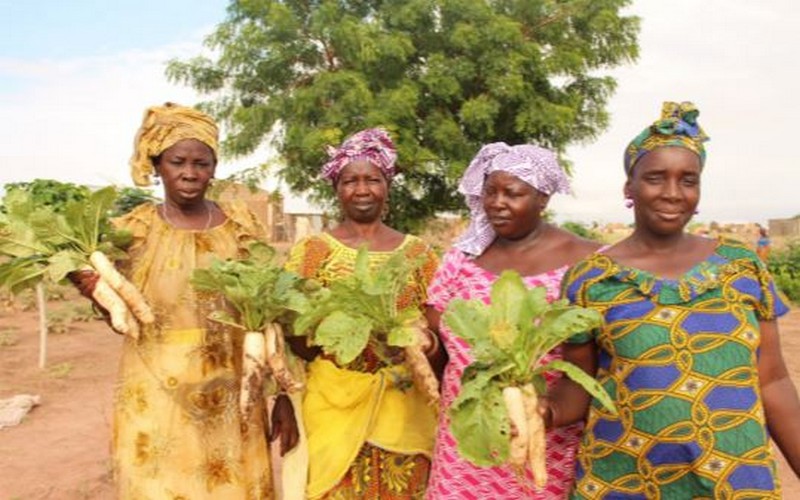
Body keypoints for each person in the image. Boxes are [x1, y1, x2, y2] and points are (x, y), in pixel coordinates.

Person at [553, 102, 800, 498]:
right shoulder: (591, 280)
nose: (672, 193)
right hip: (624, 482)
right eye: (655, 178)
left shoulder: (740, 267)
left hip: (733, 482)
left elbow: (773, 379)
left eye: (688, 180)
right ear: (628, 188)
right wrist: (539, 412)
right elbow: (579, 385)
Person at [72, 103, 276, 498]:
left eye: (201, 162)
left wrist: (280, 391)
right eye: (177, 161)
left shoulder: (241, 225)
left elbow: (269, 308)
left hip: (234, 387)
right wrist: (92, 287)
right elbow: (119, 317)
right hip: (155, 387)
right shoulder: (132, 230)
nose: (189, 173)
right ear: (157, 165)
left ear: (214, 167)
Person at [424, 142, 601, 499]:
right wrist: (423, 346)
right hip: (468, 435)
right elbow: (440, 350)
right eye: (490, 192)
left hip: (544, 438)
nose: (497, 203)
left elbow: (590, 364)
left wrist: (545, 412)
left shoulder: (586, 260)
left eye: (513, 193)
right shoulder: (462, 258)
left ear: (543, 198)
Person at [279, 128, 440, 499]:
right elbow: (289, 329)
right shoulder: (313, 251)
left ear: (388, 186)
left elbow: (439, 327)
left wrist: (417, 344)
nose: (362, 189)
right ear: (336, 188)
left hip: (405, 399)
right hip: (331, 397)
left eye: (373, 179)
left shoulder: (418, 254)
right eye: (350, 180)